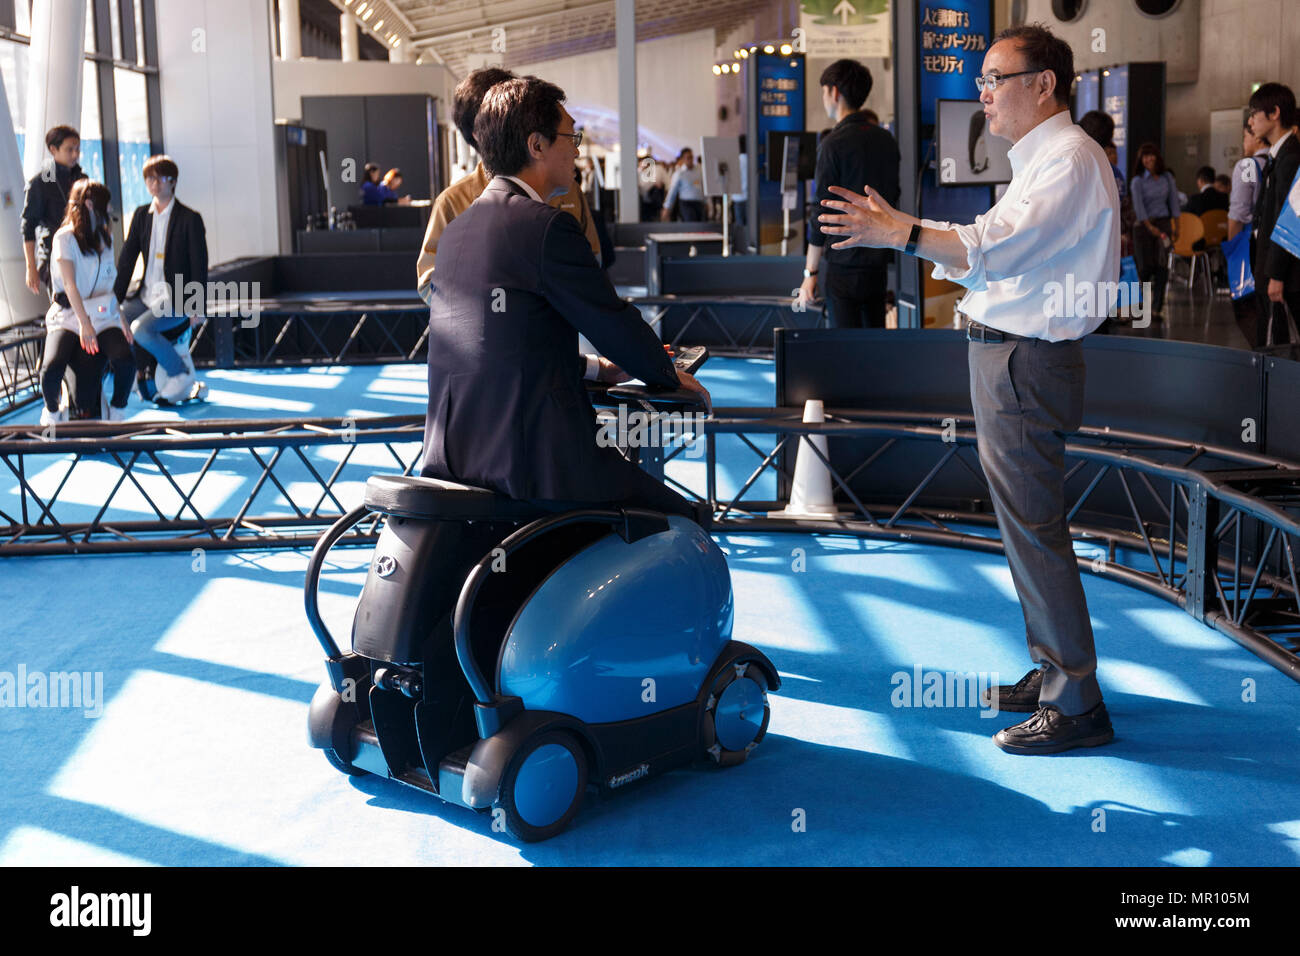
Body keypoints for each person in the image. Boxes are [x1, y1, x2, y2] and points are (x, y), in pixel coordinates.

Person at [818, 24, 1119, 755]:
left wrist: (905, 233)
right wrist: (914, 235)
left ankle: (1075, 698)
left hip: (1025, 362)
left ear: (1044, 83)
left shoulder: (1069, 160)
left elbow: (996, 247)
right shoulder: (1045, 160)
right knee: (1024, 524)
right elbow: (992, 243)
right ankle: (1053, 670)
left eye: (994, 78)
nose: (981, 93)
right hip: (1012, 359)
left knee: (1034, 525)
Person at [419, 76, 711, 524]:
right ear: (537, 145)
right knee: (686, 517)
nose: (576, 148)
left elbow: (502, 346)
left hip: (455, 457)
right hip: (534, 466)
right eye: (570, 136)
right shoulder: (544, 226)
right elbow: (611, 320)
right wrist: (664, 372)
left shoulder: (458, 230)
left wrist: (598, 367)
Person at [415, 67, 602, 304]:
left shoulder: (566, 187)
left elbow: (592, 256)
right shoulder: (452, 201)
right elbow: (430, 282)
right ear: (478, 133)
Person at [799, 58, 901, 329]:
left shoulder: (832, 144)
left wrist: (811, 273)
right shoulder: (886, 140)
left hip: (843, 262)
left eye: (823, 92)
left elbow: (820, 211)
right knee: (874, 339)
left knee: (845, 346)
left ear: (834, 92)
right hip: (878, 259)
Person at [114, 155, 209, 403]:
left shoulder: (190, 218)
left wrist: (196, 306)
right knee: (114, 322)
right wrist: (115, 300)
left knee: (140, 330)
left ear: (172, 181)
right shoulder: (140, 216)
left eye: (159, 177)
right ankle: (140, 373)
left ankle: (180, 372)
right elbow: (127, 261)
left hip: (176, 298)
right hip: (145, 296)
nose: (153, 183)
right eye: (149, 178)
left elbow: (199, 266)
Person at [40, 180, 135, 424]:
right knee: (51, 368)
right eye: (106, 205)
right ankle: (52, 409)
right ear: (91, 205)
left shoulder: (104, 237)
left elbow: (107, 282)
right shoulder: (64, 237)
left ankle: (117, 409)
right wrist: (84, 323)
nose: (110, 211)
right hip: (69, 315)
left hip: (103, 313)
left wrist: (121, 317)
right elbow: (70, 284)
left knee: (125, 360)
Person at [1248, 82, 1300, 346]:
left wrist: (1276, 274)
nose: (1251, 121)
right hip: (1271, 270)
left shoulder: (1291, 158)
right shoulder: (1278, 157)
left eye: (1255, 113)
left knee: (1278, 346)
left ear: (1274, 113)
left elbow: (1288, 219)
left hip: (1283, 276)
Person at [1130, 142, 1180, 318]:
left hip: (1164, 224)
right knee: (1144, 268)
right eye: (1145, 156)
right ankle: (1139, 305)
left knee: (1162, 267)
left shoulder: (1167, 178)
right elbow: (1138, 207)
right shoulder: (1137, 181)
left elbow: (1174, 202)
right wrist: (1150, 227)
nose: (1148, 159)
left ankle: (1157, 308)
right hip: (1144, 227)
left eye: (1151, 155)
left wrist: (1176, 226)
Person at [661, 148, 705, 222]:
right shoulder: (679, 173)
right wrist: (667, 207)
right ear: (683, 159)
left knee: (701, 228)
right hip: (686, 204)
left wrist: (707, 202)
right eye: (688, 158)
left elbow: (703, 187)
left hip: (699, 203)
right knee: (691, 226)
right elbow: (672, 191)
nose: (690, 160)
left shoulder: (699, 171)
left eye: (691, 157)